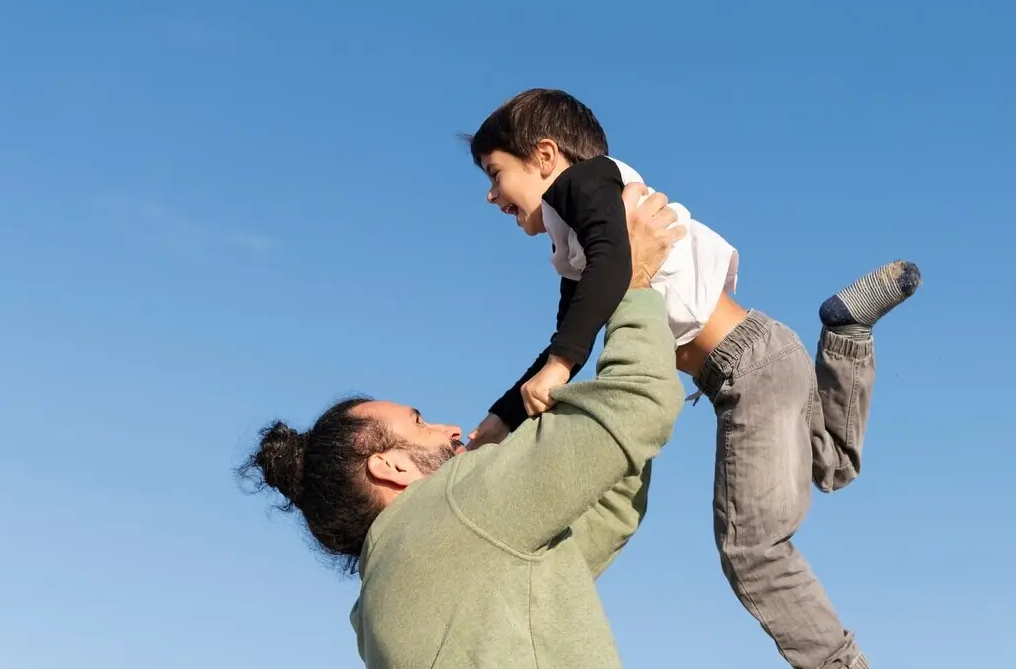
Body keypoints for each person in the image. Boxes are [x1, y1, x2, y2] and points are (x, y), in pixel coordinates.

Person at [462, 88, 919, 669]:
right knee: (831, 465)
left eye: (496, 173)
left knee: (751, 549)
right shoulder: (579, 232)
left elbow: (610, 271)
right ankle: (847, 334)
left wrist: (559, 366)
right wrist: (502, 417)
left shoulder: (586, 186)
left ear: (546, 156)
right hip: (761, 356)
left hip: (749, 368)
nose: (491, 194)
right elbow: (569, 335)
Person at [240, 184, 689, 668]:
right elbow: (638, 402)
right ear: (389, 466)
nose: (451, 429)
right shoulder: (452, 509)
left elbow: (603, 515)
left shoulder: (376, 610)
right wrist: (634, 281)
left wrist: (561, 434)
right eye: (419, 422)